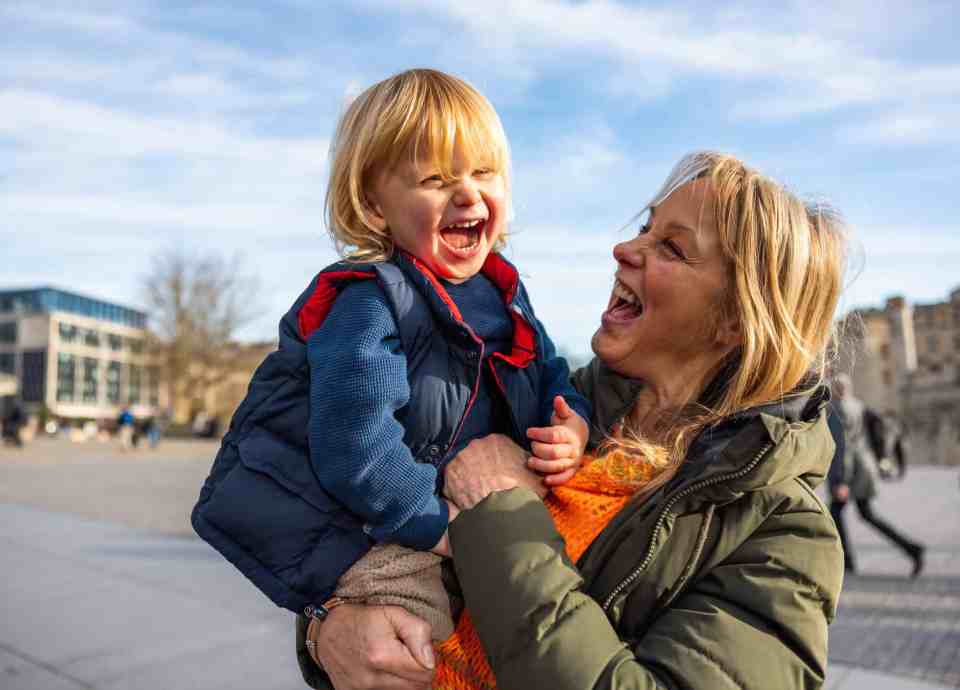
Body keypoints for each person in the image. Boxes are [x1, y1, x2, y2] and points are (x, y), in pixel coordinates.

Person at [299, 151, 848, 690]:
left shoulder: (785, 534)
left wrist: (499, 510)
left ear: (735, 319)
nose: (623, 249)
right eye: (645, 228)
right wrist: (328, 626)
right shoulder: (540, 407)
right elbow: (373, 538)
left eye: (672, 248)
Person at [191, 69, 591, 639]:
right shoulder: (370, 302)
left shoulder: (505, 295)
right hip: (379, 528)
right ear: (376, 207)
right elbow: (354, 444)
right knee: (414, 639)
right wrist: (440, 529)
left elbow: (548, 372)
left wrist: (571, 423)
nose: (468, 192)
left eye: (484, 171)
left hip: (456, 507)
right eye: (434, 178)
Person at [827, 373, 924, 577]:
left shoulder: (837, 410)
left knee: (837, 513)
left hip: (851, 472)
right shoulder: (858, 405)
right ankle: (911, 549)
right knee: (863, 514)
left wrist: (840, 481)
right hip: (865, 469)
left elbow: (843, 449)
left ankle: (848, 561)